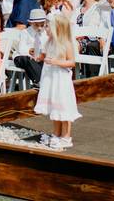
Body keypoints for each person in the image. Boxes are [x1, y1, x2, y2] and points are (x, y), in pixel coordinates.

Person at [34, 12, 80, 150]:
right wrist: (38, 56)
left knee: (63, 106)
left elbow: (72, 62)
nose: (45, 28)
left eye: (47, 26)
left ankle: (66, 136)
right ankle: (56, 133)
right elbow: (43, 55)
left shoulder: (66, 44)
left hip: (61, 79)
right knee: (55, 106)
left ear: (56, 28)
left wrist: (55, 61)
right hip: (50, 78)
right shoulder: (49, 42)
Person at [13, 8, 48, 86]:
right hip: (22, 57)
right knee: (28, 60)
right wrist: (29, 50)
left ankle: (43, 80)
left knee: (45, 61)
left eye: (42, 25)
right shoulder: (25, 32)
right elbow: (21, 49)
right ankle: (40, 81)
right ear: (31, 23)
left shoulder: (45, 33)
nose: (39, 28)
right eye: (36, 25)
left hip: (39, 58)